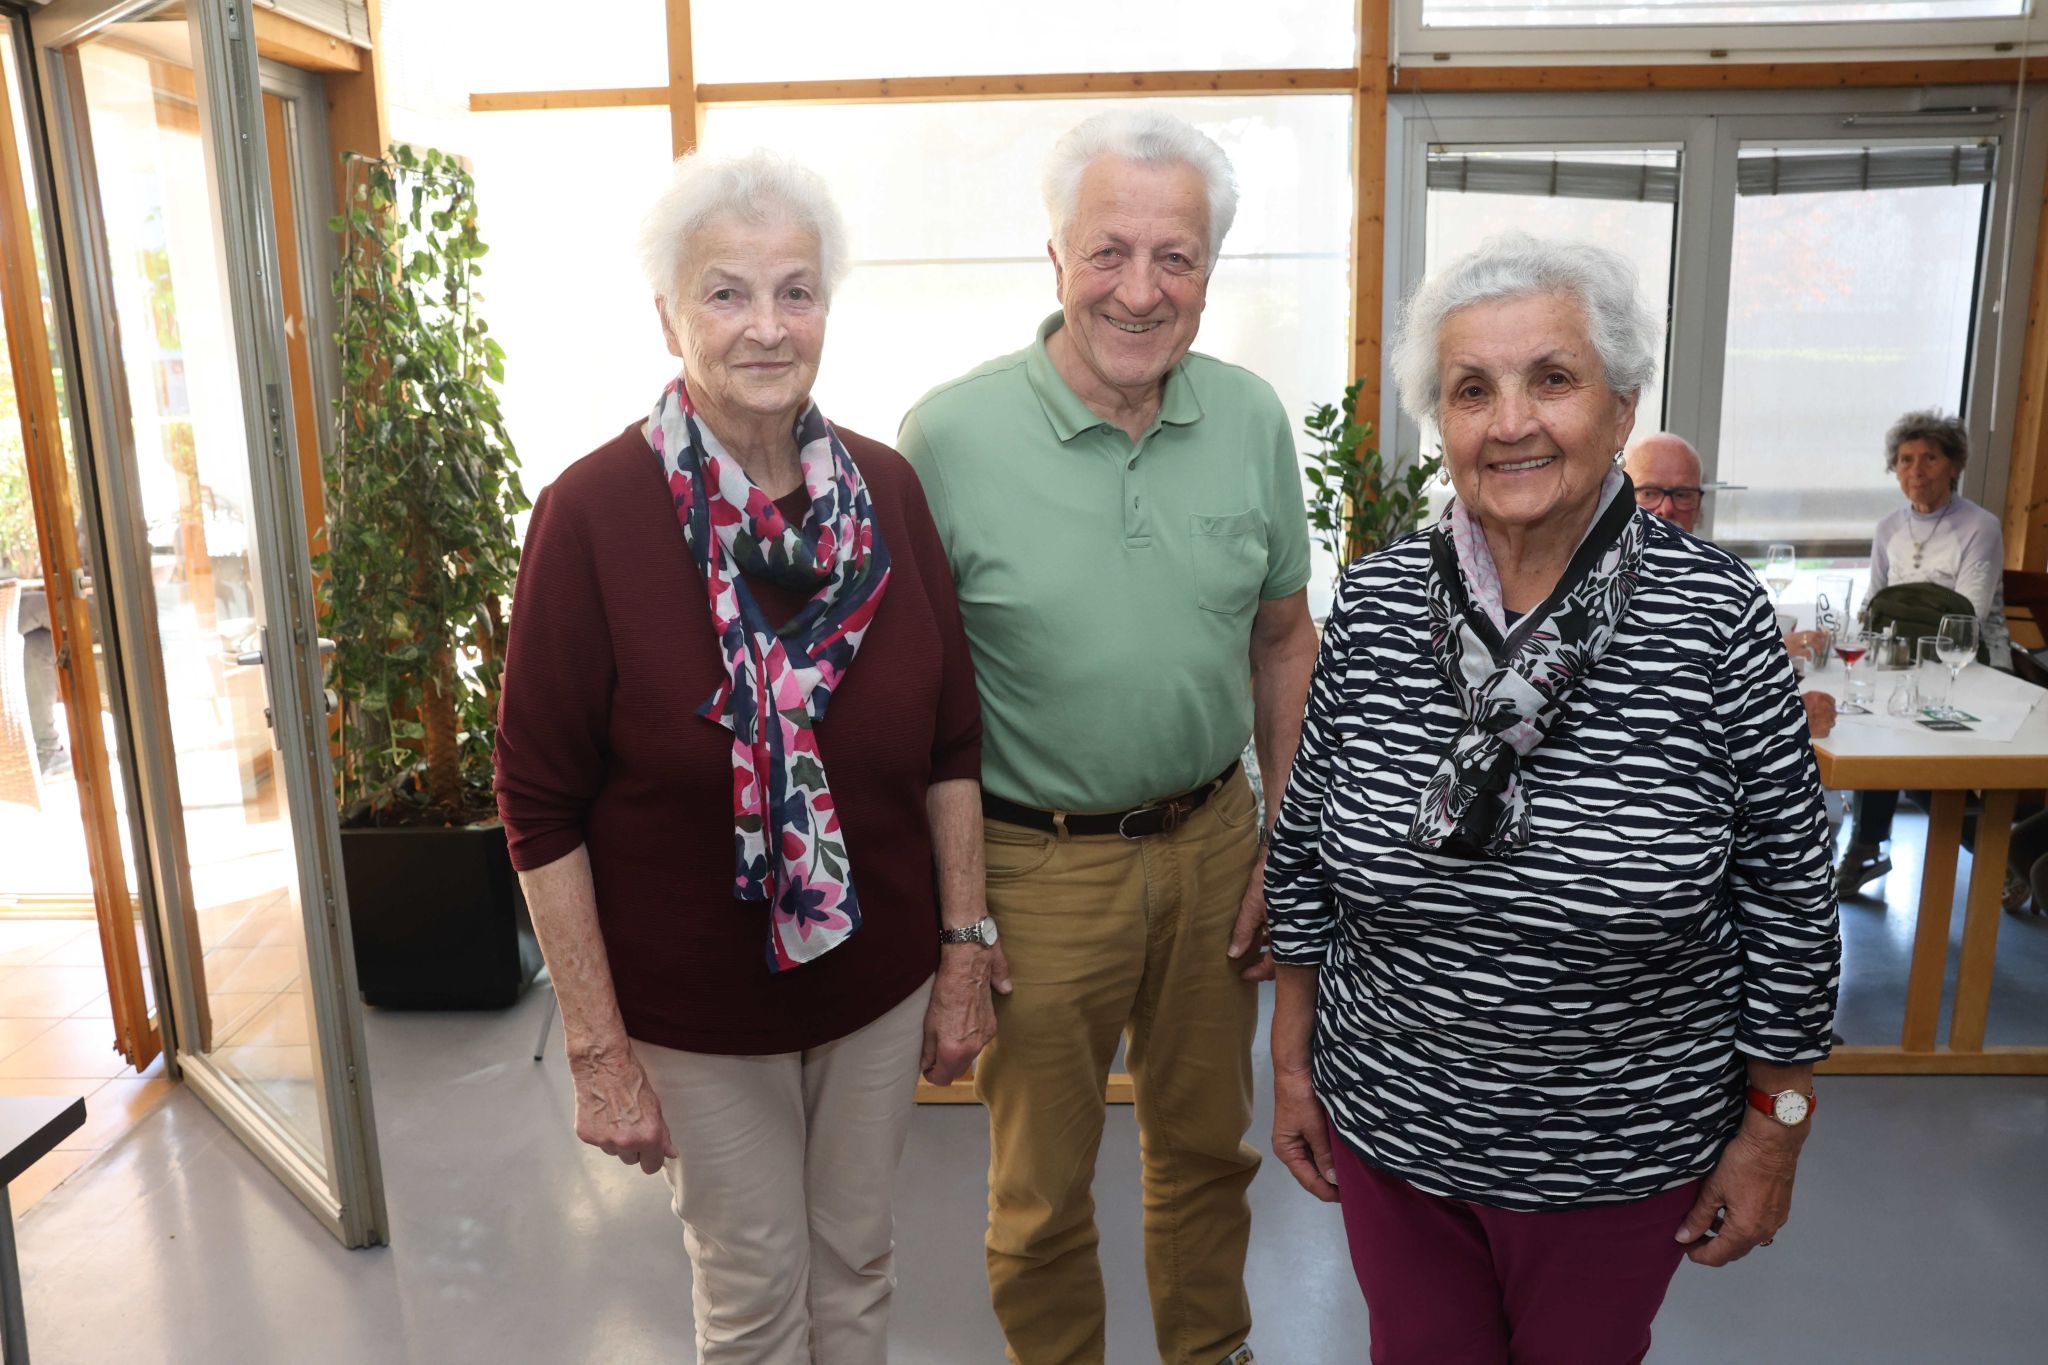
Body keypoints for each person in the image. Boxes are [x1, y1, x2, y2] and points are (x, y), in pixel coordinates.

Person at [1265, 232, 1841, 1365]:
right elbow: (1302, 855)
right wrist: (1290, 1068)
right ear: (1442, 423)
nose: (1510, 420)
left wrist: (1774, 1134)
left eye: (1552, 379)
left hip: (1615, 1154)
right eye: (1471, 390)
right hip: (1394, 1126)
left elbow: (1788, 897)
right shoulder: (1378, 607)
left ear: (1620, 408)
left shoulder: (1713, 623)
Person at [494, 149, 993, 1364]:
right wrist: (600, 1050)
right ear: (667, 314)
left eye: (795, 290)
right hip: (696, 1006)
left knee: (860, 1263)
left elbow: (950, 743)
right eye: (726, 293)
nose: (767, 327)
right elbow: (538, 802)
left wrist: (964, 950)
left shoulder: (887, 491)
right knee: (756, 1288)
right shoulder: (592, 514)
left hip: (873, 982)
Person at [898, 109, 1317, 1365]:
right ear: (1054, 257)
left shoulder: (1248, 420)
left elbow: (1282, 643)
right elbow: (920, 713)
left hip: (1213, 844)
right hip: (1036, 872)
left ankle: (1209, 1354)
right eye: (1109, 252)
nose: (1140, 291)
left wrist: (1280, 843)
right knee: (1037, 1197)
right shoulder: (946, 440)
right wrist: (958, 923)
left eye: (1175, 257)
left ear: (1208, 271)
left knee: (1206, 1156)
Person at [1838, 410, 2011, 895]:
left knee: (1913, 757)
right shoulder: (1888, 526)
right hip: (1901, 662)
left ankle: (1997, 854)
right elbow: (1873, 606)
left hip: (1972, 666)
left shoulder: (1981, 526)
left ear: (1954, 464)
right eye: (1906, 459)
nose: (1916, 469)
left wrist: (1902, 623)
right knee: (1878, 737)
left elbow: (1965, 618)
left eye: (1930, 458)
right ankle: (1868, 846)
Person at [1624, 432, 1837, 741]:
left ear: (1699, 506)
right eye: (1649, 492)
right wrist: (1792, 720)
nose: (1667, 509)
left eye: (1683, 494)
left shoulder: (1725, 590)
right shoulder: (1599, 584)